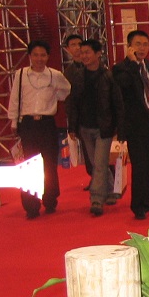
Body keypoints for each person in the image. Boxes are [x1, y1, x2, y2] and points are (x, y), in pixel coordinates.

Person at [7, 40, 72, 219]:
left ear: (48, 56)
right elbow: (14, 99)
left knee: (49, 163)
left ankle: (50, 200)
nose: (39, 58)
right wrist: (14, 122)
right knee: (29, 165)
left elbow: (67, 90)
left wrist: (55, 97)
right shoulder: (21, 74)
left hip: (47, 123)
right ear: (30, 56)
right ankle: (31, 206)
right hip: (27, 124)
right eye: (35, 55)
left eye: (43, 55)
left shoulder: (54, 75)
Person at [66, 39, 124, 217]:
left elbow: (117, 103)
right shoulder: (77, 76)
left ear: (98, 54)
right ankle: (111, 190)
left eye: (87, 52)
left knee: (98, 164)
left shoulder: (108, 76)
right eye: (82, 52)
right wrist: (72, 126)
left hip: (103, 128)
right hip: (84, 127)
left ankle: (97, 199)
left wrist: (120, 128)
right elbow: (72, 103)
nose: (83, 56)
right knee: (96, 163)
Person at [112, 29, 149, 220]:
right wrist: (132, 63)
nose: (142, 48)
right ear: (129, 47)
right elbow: (123, 86)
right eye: (138, 44)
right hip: (135, 124)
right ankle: (139, 205)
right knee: (140, 165)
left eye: (145, 44)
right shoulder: (121, 68)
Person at [62, 33, 94, 187]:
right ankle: (94, 178)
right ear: (68, 49)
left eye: (79, 44)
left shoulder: (94, 66)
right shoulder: (68, 72)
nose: (76, 48)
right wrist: (72, 125)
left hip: (97, 116)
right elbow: (69, 100)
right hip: (80, 118)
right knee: (87, 151)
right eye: (73, 45)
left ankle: (107, 179)